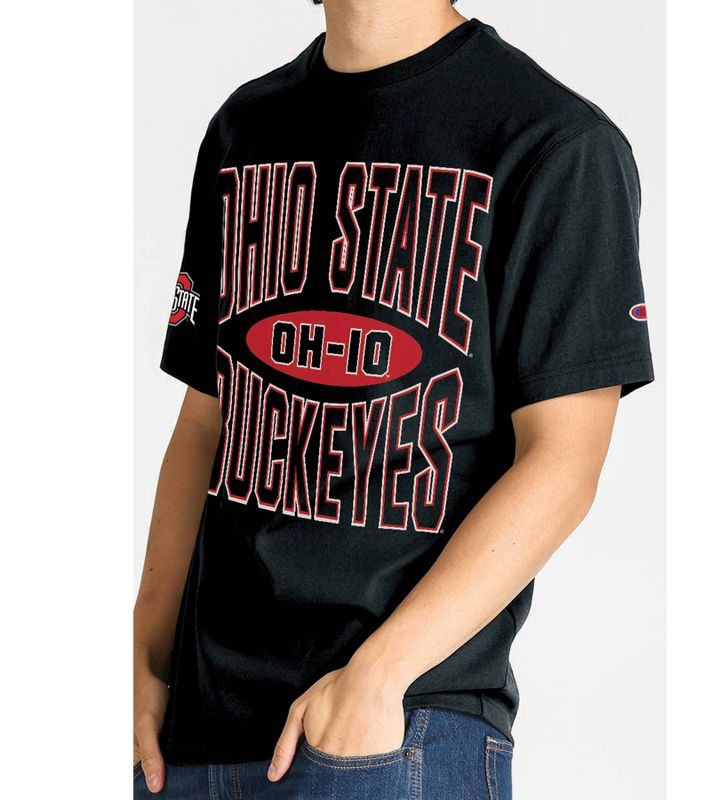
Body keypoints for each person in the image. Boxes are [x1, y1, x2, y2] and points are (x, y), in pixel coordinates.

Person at [133, 0, 655, 797]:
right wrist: (144, 661)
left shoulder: (555, 141)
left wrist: (379, 675)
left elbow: (563, 463)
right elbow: (207, 422)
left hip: (392, 731)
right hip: (192, 741)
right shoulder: (245, 127)